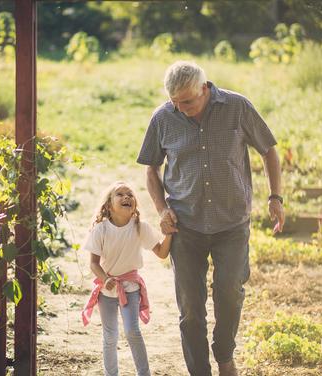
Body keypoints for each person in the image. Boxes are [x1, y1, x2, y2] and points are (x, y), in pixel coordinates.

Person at [137, 61, 285, 376]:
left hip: (231, 223)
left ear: (204, 89)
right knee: (190, 308)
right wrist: (162, 209)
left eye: (188, 101)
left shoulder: (237, 107)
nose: (182, 108)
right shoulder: (164, 118)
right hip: (185, 226)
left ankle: (224, 353)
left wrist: (275, 197)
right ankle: (200, 371)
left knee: (229, 291)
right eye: (176, 102)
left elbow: (269, 150)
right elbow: (151, 168)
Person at [81, 181, 172, 376]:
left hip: (130, 287)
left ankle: (144, 373)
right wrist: (105, 279)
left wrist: (169, 234)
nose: (126, 197)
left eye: (130, 194)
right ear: (108, 205)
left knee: (132, 331)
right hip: (106, 289)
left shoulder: (140, 227)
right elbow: (94, 264)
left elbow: (162, 253)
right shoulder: (101, 230)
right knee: (110, 336)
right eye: (120, 194)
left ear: (135, 205)